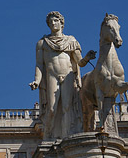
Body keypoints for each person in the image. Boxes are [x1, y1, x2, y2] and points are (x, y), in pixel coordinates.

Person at [29, 11, 95, 139]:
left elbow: (79, 62)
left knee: (67, 108)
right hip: (51, 76)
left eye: (55, 21)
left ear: (61, 23)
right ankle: (48, 136)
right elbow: (39, 65)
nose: (53, 23)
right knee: (52, 109)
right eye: (50, 22)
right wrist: (37, 81)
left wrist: (87, 58)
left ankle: (66, 137)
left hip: (68, 75)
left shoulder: (71, 41)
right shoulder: (43, 43)